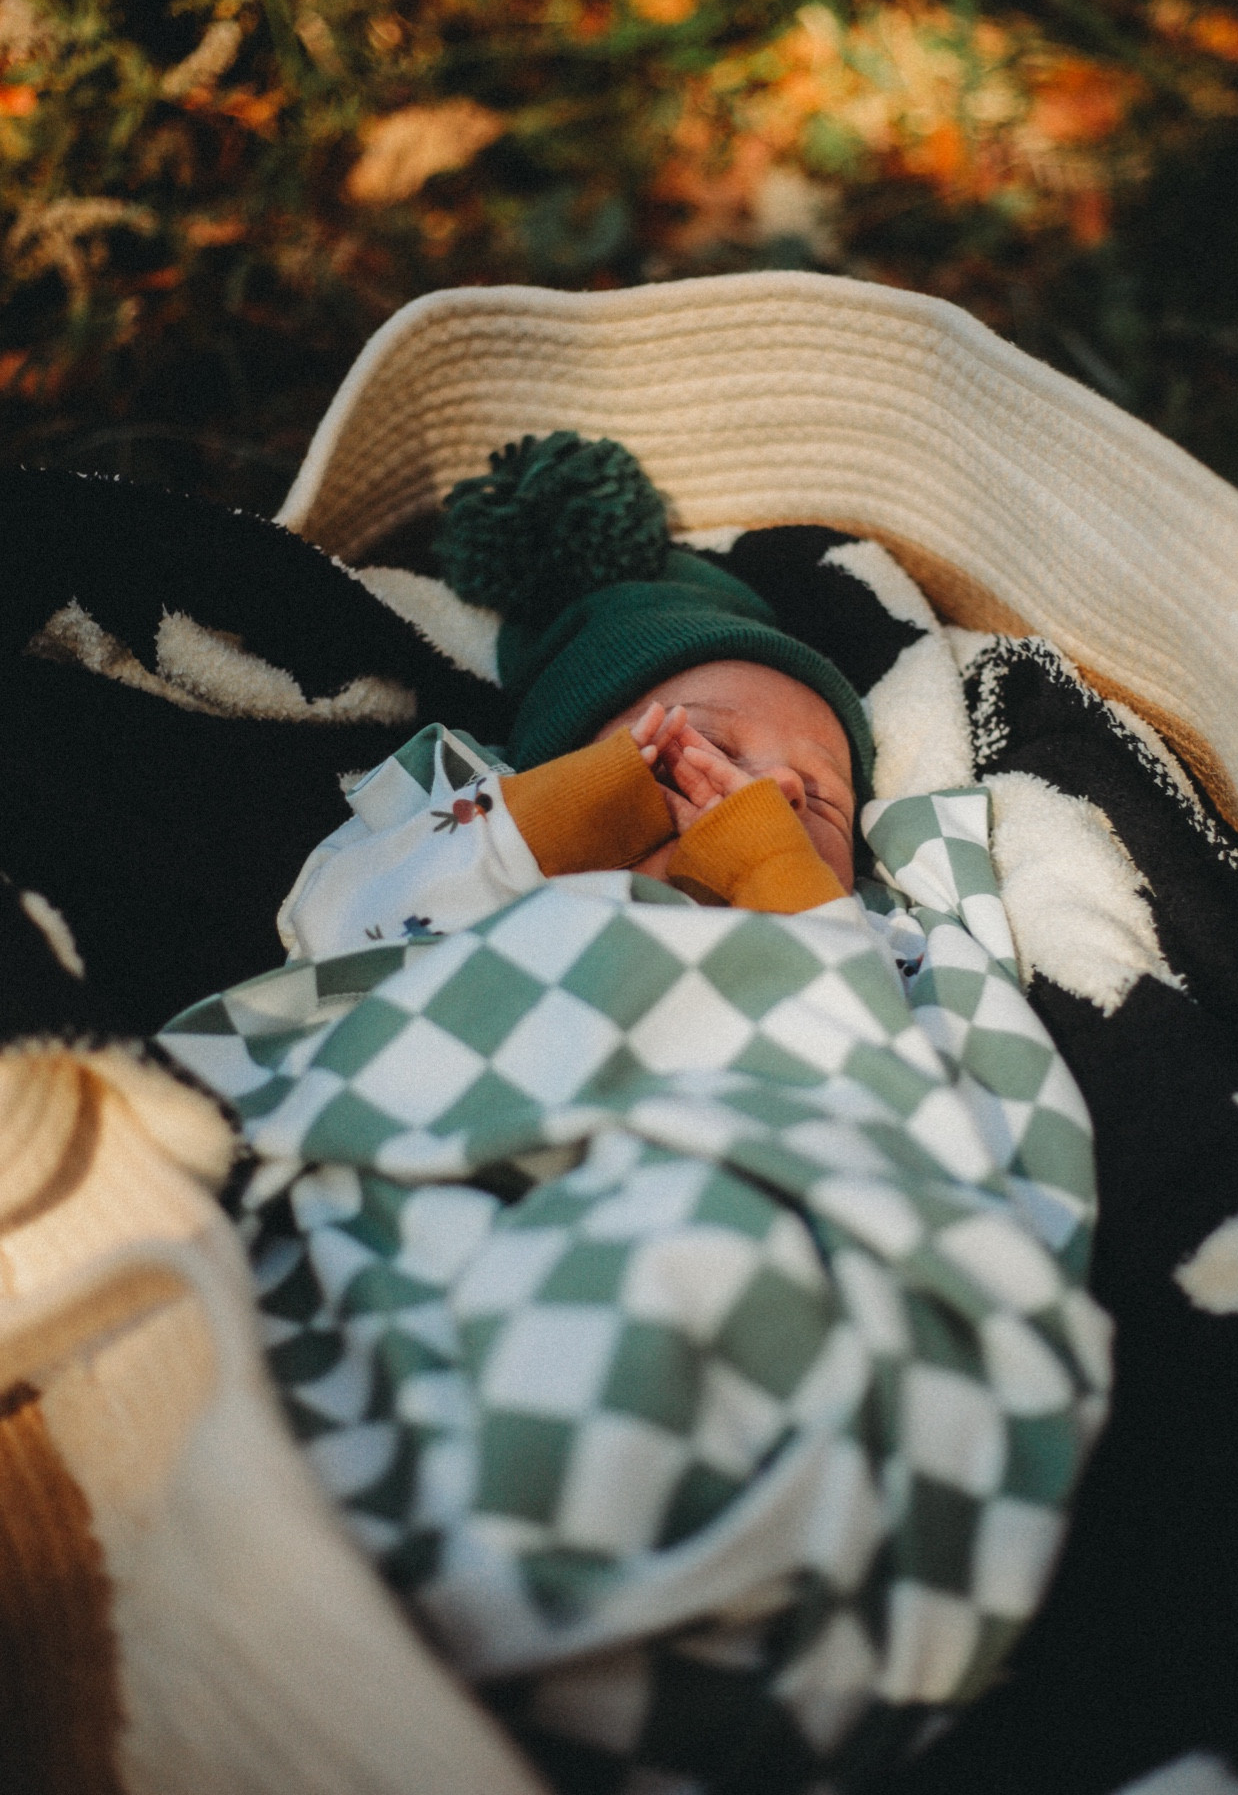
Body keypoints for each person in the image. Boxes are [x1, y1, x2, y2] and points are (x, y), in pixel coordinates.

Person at [161, 435, 1109, 1795]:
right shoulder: (484, 868)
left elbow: (915, 1077)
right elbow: (347, 943)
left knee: (693, 1252)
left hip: (761, 1158)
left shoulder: (872, 939)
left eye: (814, 802)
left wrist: (782, 892)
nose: (754, 799)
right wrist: (569, 819)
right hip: (463, 1153)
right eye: (695, 748)